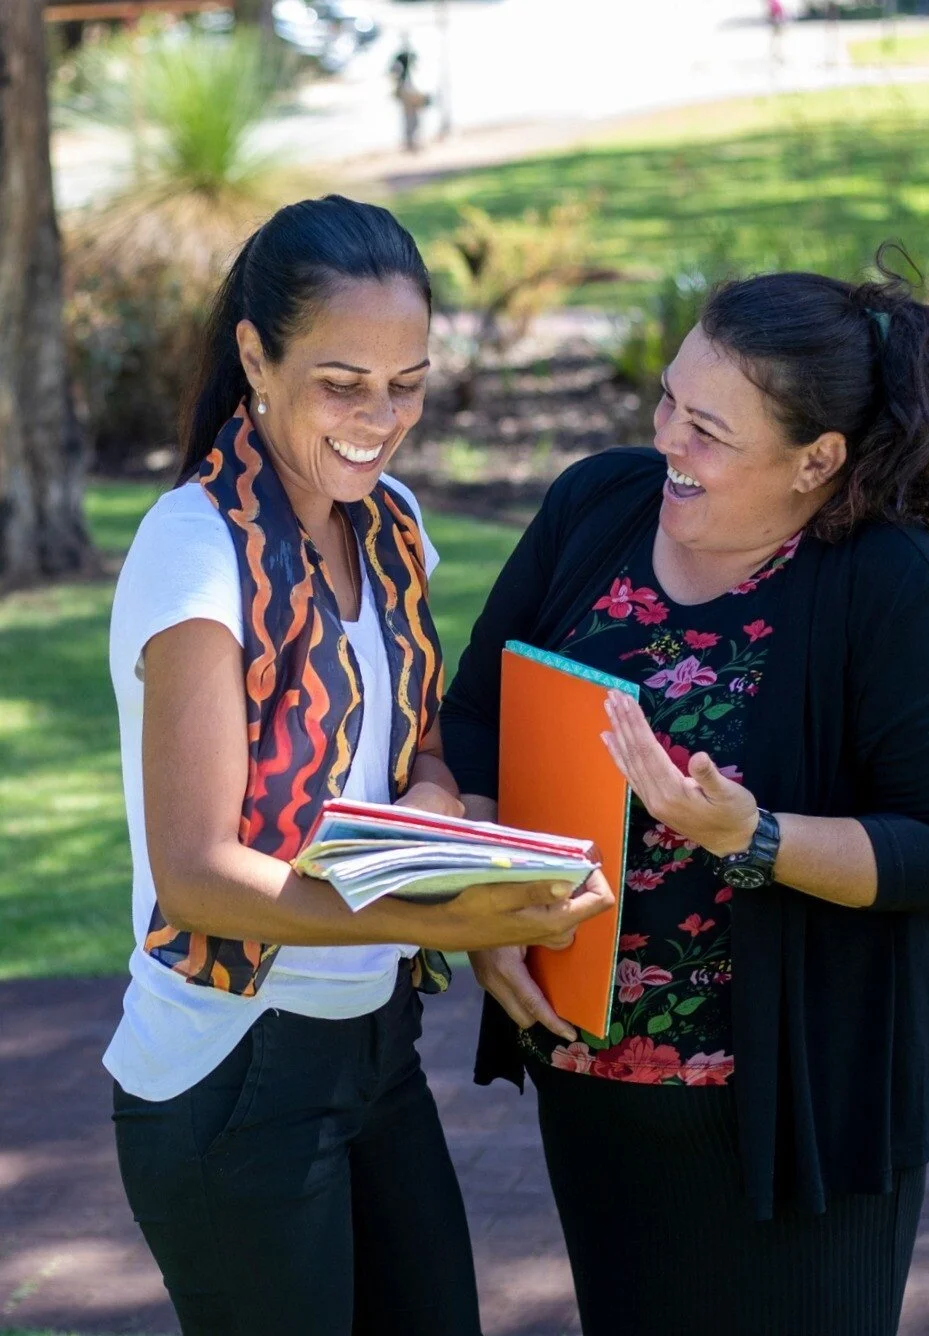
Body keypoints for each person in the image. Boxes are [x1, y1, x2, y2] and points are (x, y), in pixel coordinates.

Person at [441, 255, 929, 1334]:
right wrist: (483, 895)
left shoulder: (898, 587)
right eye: (667, 399)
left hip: (803, 1118)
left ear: (815, 459)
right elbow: (475, 719)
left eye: (710, 429)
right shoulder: (595, 506)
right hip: (593, 1083)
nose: (666, 441)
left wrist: (756, 836)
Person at [104, 193, 613, 1336]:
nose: (379, 419)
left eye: (409, 382)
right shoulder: (194, 549)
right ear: (256, 356)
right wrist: (438, 923)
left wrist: (434, 813)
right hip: (228, 1065)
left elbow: (416, 734)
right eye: (342, 382)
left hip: (374, 1046)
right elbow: (193, 873)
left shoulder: (389, 524)